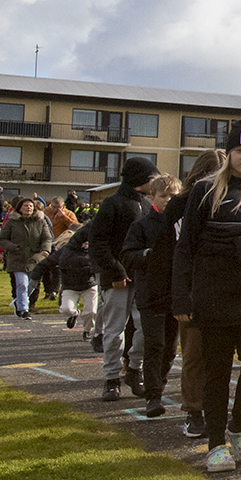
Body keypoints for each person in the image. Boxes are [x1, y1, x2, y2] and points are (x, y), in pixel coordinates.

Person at [172, 122, 241, 474]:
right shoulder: (204, 191)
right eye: (240, 151)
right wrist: (182, 300)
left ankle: (238, 427)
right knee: (216, 371)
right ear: (229, 153)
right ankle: (216, 443)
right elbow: (185, 248)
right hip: (213, 295)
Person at [170, 150, 227, 439]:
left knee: (218, 354)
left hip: (224, 288)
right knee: (194, 352)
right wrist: (179, 294)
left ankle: (215, 408)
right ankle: (194, 409)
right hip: (192, 288)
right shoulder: (181, 205)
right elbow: (172, 250)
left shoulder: (230, 201)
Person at [90, 158, 158, 396]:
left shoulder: (149, 206)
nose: (155, 183)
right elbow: (98, 243)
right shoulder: (113, 204)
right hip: (117, 279)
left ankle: (134, 369)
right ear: (141, 180)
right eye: (152, 179)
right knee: (115, 330)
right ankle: (111, 378)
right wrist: (115, 271)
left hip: (142, 278)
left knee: (144, 328)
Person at [120, 174, 182, 417]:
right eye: (163, 196)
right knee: (154, 343)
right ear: (152, 197)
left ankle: (160, 383)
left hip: (175, 295)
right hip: (151, 294)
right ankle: (153, 395)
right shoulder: (142, 225)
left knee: (170, 347)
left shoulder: (182, 225)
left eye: (173, 196)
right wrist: (147, 255)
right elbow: (127, 254)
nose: (168, 200)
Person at [0, 195, 51, 319]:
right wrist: (14, 247)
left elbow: (47, 238)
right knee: (22, 284)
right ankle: (23, 309)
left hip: (35, 258)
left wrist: (45, 249)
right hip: (17, 258)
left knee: (32, 284)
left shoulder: (41, 222)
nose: (28, 208)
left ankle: (19, 301)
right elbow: (2, 239)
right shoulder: (12, 222)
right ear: (20, 208)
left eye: (31, 206)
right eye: (26, 206)